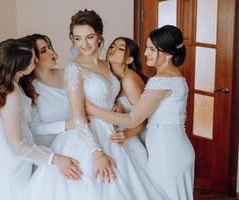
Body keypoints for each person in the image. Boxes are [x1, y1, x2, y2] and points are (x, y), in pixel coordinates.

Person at [27, 9, 169, 200]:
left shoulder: (107, 64)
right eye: (77, 38)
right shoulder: (74, 68)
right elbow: (78, 115)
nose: (83, 44)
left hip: (114, 131)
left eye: (89, 37)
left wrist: (118, 105)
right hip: (88, 137)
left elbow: (114, 94)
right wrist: (97, 154)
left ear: (100, 36)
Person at [86, 25, 195, 200]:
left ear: (168, 54)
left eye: (152, 49)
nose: (145, 54)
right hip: (171, 145)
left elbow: (132, 119)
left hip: (167, 149)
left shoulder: (162, 79)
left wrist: (93, 110)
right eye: (146, 48)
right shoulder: (172, 77)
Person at [0, 38, 81, 200]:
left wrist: (66, 125)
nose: (36, 61)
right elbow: (17, 145)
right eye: (33, 59)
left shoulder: (12, 86)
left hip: (17, 160)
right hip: (9, 163)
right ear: (19, 70)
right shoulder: (10, 94)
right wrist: (56, 160)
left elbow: (30, 127)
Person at [21, 34, 74, 147]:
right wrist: (66, 125)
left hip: (74, 140)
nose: (51, 52)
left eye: (50, 47)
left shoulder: (69, 74)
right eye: (44, 50)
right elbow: (33, 128)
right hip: (47, 148)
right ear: (33, 58)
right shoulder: (28, 88)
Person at [106, 36, 147, 145]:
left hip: (140, 135)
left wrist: (126, 135)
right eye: (112, 46)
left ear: (129, 60)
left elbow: (144, 118)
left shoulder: (128, 79)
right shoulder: (109, 77)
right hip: (124, 133)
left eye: (121, 49)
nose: (113, 49)